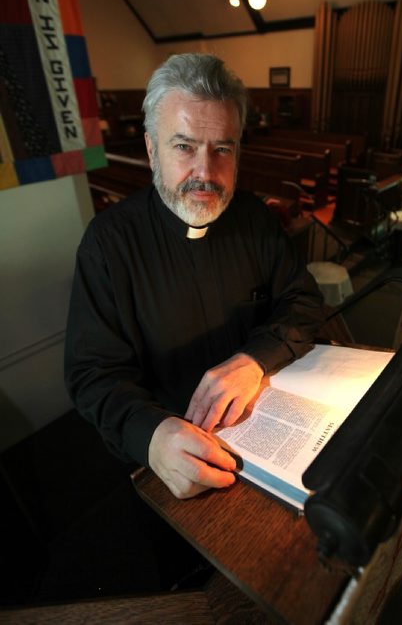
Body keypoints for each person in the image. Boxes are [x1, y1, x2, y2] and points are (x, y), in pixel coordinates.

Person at [65, 53, 329, 500]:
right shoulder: (108, 244)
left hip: (267, 435)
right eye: (184, 146)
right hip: (169, 459)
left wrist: (255, 359)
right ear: (152, 149)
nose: (205, 173)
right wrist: (149, 435)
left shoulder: (255, 219)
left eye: (222, 149)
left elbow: (302, 301)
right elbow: (93, 373)